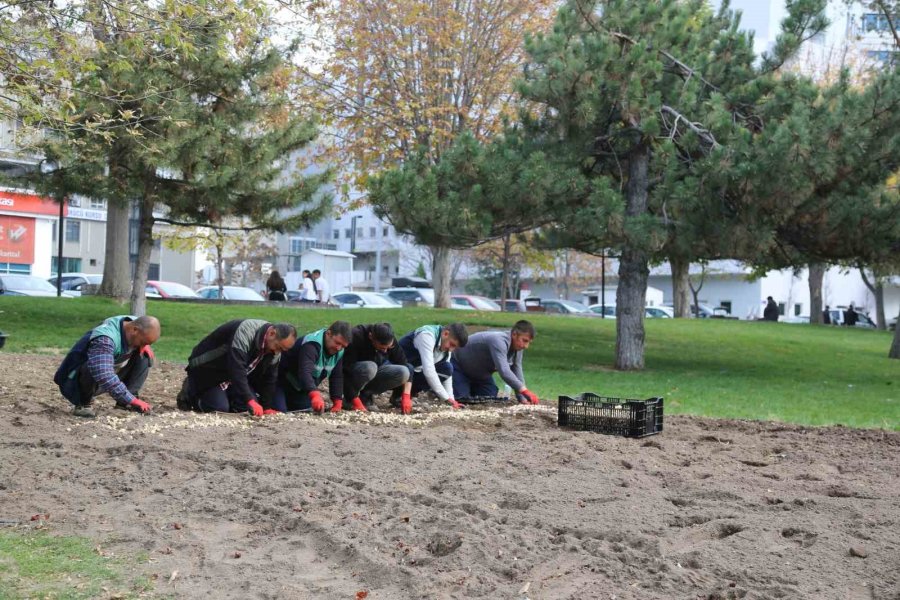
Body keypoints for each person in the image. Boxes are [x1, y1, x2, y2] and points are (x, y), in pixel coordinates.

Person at [176, 320, 297, 415]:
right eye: (278, 347)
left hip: (230, 376)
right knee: (219, 408)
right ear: (272, 334)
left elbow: (270, 378)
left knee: (246, 408)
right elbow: (236, 368)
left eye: (282, 350)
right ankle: (191, 391)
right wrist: (249, 399)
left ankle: (225, 397)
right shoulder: (245, 331)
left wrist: (266, 407)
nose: (277, 352)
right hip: (208, 370)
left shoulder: (275, 348)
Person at [54, 315, 160, 418]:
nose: (143, 345)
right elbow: (104, 375)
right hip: (72, 381)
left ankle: (124, 403)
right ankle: (83, 403)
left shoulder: (132, 322)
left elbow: (143, 334)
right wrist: (132, 400)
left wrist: (144, 346)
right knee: (96, 365)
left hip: (104, 373)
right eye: (143, 342)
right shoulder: (105, 340)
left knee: (145, 355)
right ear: (135, 330)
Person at [451, 320, 539, 405]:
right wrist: (524, 390)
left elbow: (517, 369)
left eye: (528, 342)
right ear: (514, 334)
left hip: (480, 374)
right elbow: (504, 371)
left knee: (490, 396)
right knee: (462, 398)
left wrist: (522, 398)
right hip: (459, 366)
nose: (526, 346)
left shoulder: (518, 347)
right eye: (525, 340)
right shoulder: (498, 341)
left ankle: (467, 387)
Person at [275, 321, 351, 413]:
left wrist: (337, 401)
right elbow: (305, 372)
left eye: (343, 346)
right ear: (328, 334)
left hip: (301, 387)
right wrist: (314, 394)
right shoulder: (312, 344)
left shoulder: (338, 351)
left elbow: (337, 375)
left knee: (305, 410)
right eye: (337, 343)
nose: (339, 348)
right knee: (280, 412)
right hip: (281, 381)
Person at [339, 322, 411, 413]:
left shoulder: (389, 339)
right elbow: (345, 371)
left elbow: (405, 365)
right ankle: (349, 399)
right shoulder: (355, 337)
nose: (385, 351)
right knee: (370, 368)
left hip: (374, 371)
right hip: (354, 375)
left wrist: (406, 396)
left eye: (388, 348)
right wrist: (354, 399)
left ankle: (365, 395)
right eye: (382, 348)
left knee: (404, 372)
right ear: (371, 337)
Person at [397, 323, 468, 411]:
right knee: (409, 369)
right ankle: (398, 394)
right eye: (452, 344)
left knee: (447, 368)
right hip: (396, 370)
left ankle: (402, 396)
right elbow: (429, 371)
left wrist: (452, 400)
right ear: (446, 334)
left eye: (455, 347)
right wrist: (446, 398)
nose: (451, 350)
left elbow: (447, 376)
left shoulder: (445, 344)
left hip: (413, 372)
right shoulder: (427, 335)